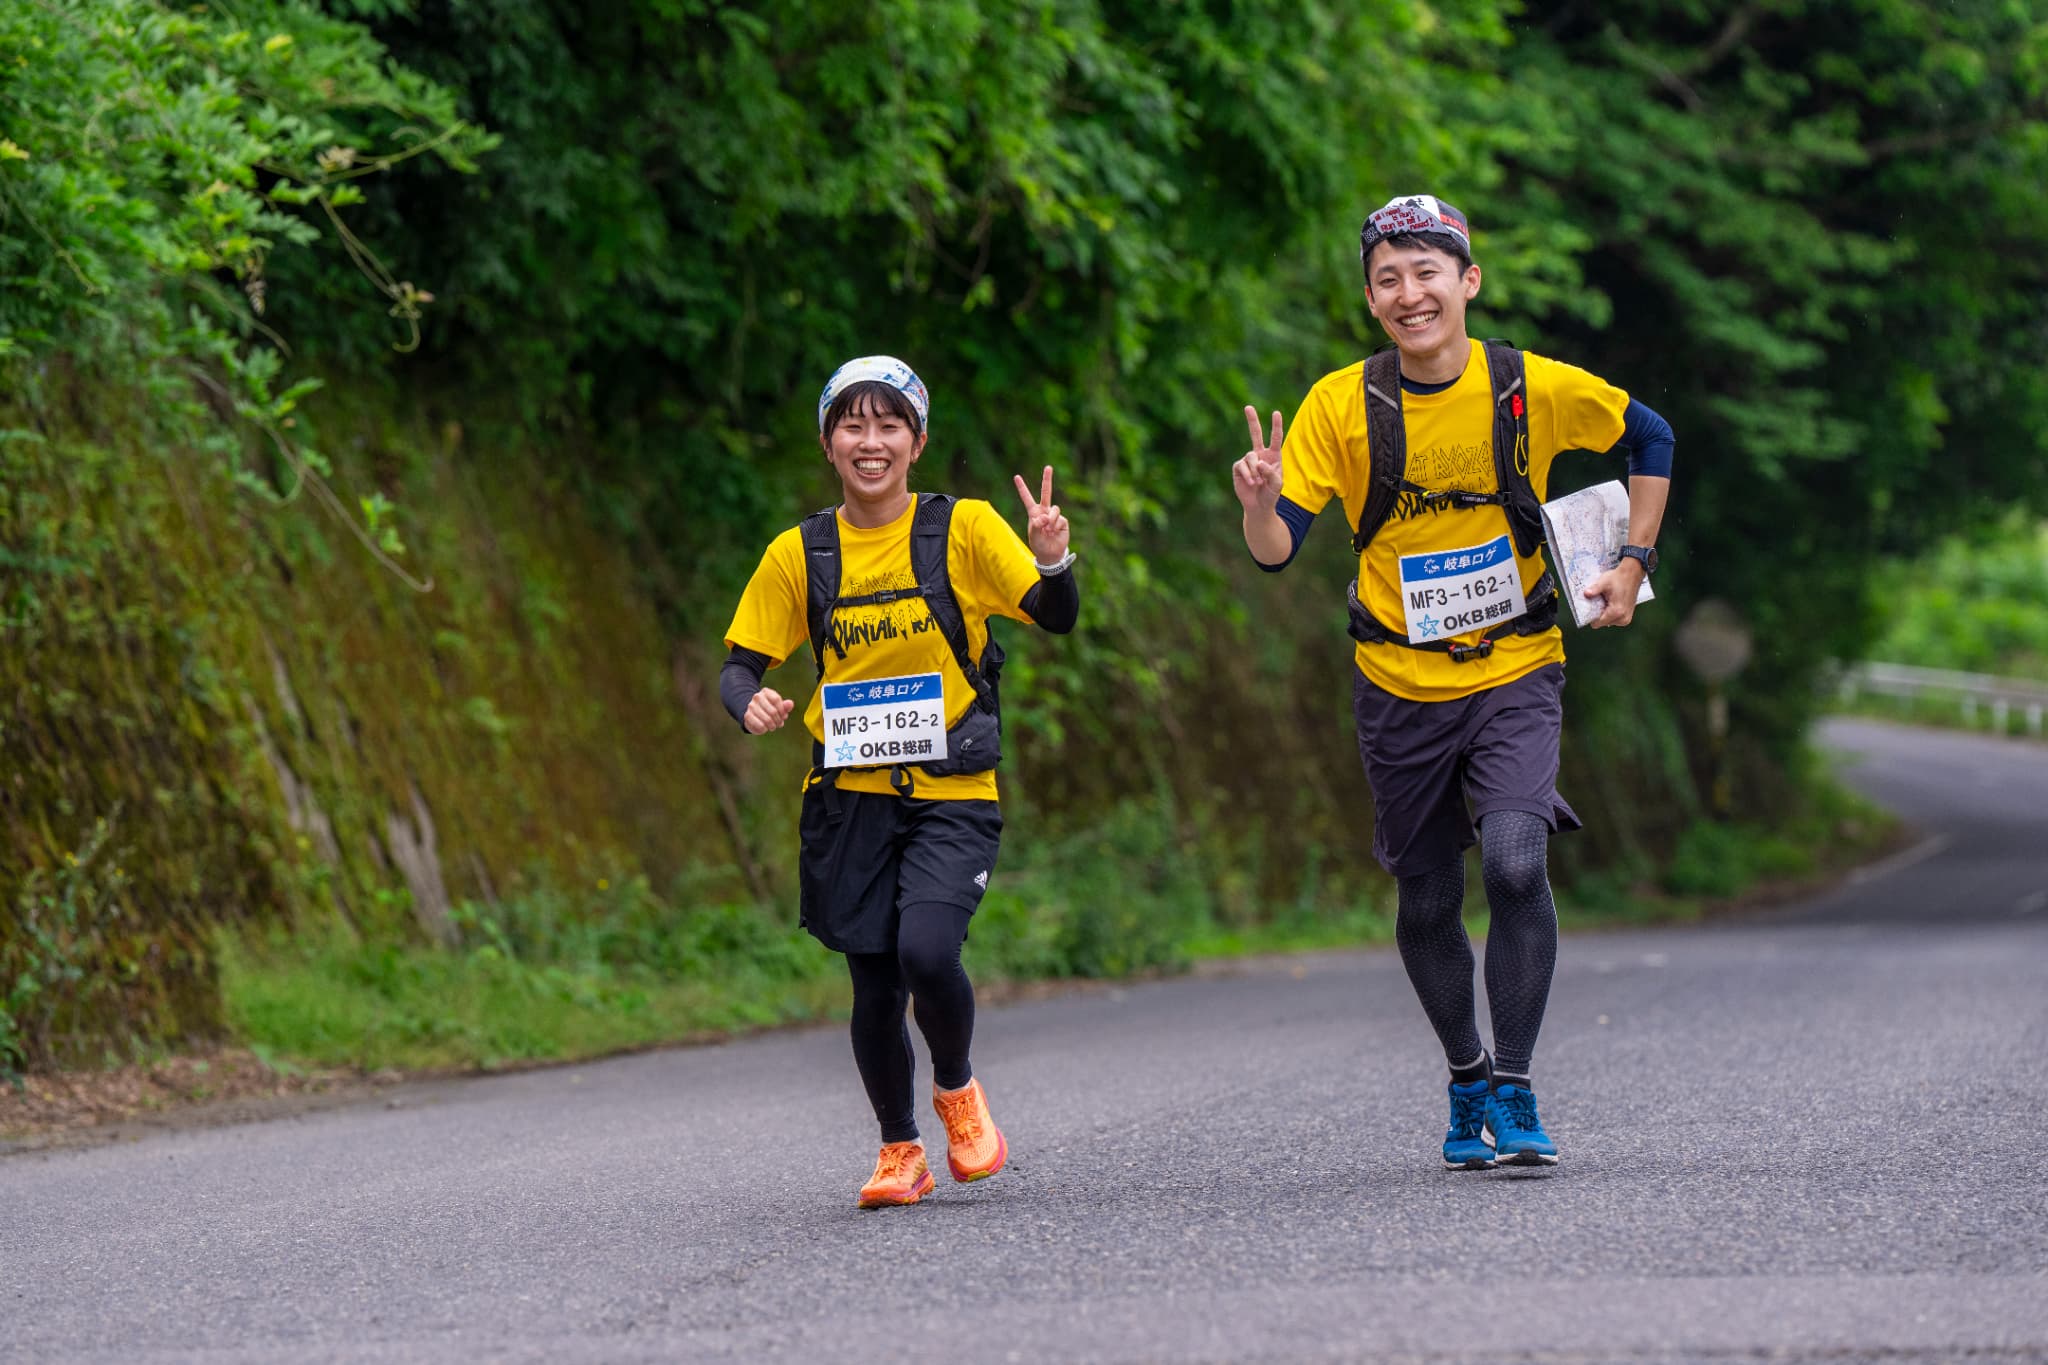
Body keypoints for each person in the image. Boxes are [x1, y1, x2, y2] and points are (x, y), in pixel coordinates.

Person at [1233, 195, 1673, 1168]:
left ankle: (1512, 1089)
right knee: (1427, 898)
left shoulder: (1525, 386)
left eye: (1426, 271)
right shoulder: (1338, 405)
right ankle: (1465, 1073)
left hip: (1515, 665)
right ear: (1370, 297)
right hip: (1393, 680)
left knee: (1516, 863)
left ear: (1466, 281)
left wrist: (1631, 564)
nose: (1408, 293)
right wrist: (1261, 505)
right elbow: (1275, 553)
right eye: (1387, 278)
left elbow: (1651, 437)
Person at [720, 355, 1080, 1207]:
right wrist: (753, 705)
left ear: (917, 442)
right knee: (874, 984)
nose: (870, 441)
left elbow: (1056, 616)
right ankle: (899, 1149)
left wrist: (1054, 559)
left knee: (926, 951)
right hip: (848, 799)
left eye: (889, 425)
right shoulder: (798, 552)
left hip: (952, 789)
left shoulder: (963, 529)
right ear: (828, 440)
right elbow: (738, 667)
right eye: (853, 424)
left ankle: (956, 1090)